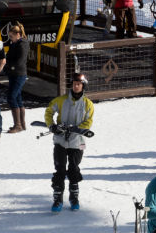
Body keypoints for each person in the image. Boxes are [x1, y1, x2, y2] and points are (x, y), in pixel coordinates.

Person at [44, 72, 95, 212]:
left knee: (73, 168)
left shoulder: (88, 104)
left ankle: (74, 198)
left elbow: (88, 121)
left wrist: (78, 128)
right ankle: (57, 199)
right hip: (60, 141)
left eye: (79, 84)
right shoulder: (61, 100)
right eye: (74, 84)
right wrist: (52, 126)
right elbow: (49, 111)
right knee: (59, 169)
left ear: (83, 86)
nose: (76, 86)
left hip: (77, 141)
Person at [5, 21, 29, 134]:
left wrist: (9, 65)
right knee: (18, 98)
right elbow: (9, 56)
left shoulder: (22, 44)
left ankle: (18, 125)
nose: (10, 38)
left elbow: (20, 61)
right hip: (13, 74)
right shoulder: (14, 43)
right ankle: (22, 124)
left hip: (19, 74)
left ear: (18, 34)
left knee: (11, 97)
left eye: (11, 36)